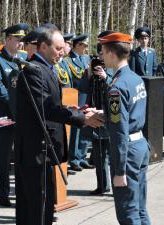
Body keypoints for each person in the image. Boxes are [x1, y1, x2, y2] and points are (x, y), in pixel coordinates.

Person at [15, 26, 104, 225]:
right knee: (36, 208)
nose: (62, 53)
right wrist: (81, 119)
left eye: (63, 48)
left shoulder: (46, 68)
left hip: (44, 149)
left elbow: (50, 104)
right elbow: (46, 108)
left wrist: (75, 110)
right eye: (58, 49)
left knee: (44, 206)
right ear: (43, 46)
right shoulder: (33, 71)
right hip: (35, 150)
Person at [100, 32, 151, 225]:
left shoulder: (117, 86)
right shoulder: (135, 78)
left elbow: (120, 131)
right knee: (139, 208)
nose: (102, 57)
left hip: (127, 152)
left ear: (112, 53)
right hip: (140, 146)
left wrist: (119, 171)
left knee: (128, 213)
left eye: (104, 52)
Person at [0, 23, 28, 207]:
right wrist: (16, 105)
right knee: (3, 157)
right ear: (8, 39)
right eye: (18, 40)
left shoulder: (24, 59)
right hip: (5, 115)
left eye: (23, 41)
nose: (21, 44)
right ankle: (3, 194)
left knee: (23, 156)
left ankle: (22, 192)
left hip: (24, 116)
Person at [87, 30, 115, 195]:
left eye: (103, 53)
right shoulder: (93, 69)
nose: (101, 58)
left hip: (110, 117)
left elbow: (119, 88)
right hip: (96, 116)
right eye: (99, 53)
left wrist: (106, 77)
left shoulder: (114, 69)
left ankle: (115, 186)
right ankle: (102, 185)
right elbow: (86, 90)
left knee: (112, 156)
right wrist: (89, 75)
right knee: (98, 156)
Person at [67, 34, 94, 171]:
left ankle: (82, 156)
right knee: (76, 129)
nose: (86, 48)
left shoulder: (86, 58)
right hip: (76, 97)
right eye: (84, 45)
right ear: (77, 45)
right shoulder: (68, 60)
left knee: (86, 127)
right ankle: (74, 158)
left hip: (87, 96)